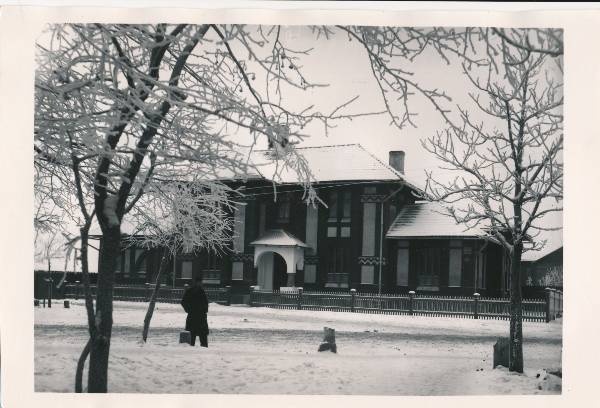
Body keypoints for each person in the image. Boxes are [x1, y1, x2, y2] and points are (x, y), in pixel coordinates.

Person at [180, 278, 209, 347]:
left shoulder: (201, 291)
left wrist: (205, 309)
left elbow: (205, 302)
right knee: (192, 335)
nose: (200, 284)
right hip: (193, 316)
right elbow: (183, 302)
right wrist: (189, 310)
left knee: (203, 336)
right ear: (195, 283)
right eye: (199, 282)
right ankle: (191, 347)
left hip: (200, 316)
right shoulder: (190, 291)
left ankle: (204, 348)